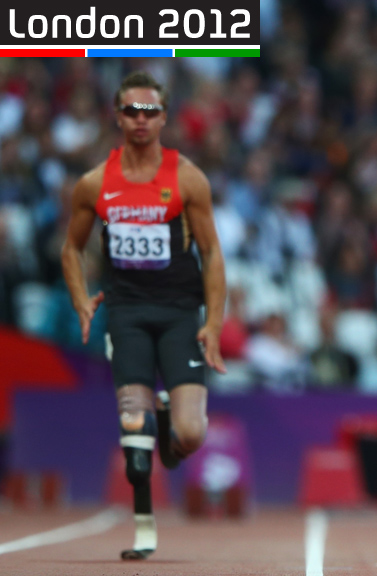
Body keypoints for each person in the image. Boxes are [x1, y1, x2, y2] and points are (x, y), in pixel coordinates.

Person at [61, 71, 227, 560]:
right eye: (132, 111)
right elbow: (71, 249)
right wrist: (80, 297)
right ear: (117, 116)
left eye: (150, 111)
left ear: (164, 118)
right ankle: (144, 528)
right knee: (133, 428)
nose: (140, 119)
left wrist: (213, 323)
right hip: (127, 312)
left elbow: (213, 254)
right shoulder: (95, 183)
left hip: (179, 312)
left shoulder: (186, 177)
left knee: (191, 434)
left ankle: (168, 423)